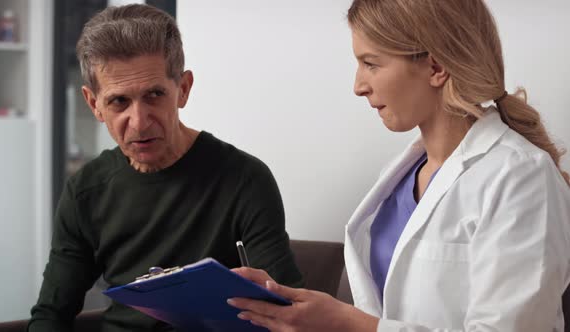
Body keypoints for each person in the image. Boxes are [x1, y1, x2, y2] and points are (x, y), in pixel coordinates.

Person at [228, 0, 570, 330]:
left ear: (436, 68)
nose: (358, 86)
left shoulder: (522, 177)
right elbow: (386, 314)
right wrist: (287, 306)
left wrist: (348, 324)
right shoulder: (403, 174)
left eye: (371, 63)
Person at [28, 4, 303, 331]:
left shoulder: (245, 179)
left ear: (183, 90)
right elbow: (51, 314)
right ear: (94, 104)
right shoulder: (85, 191)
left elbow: (291, 311)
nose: (140, 122)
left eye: (154, 94)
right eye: (119, 101)